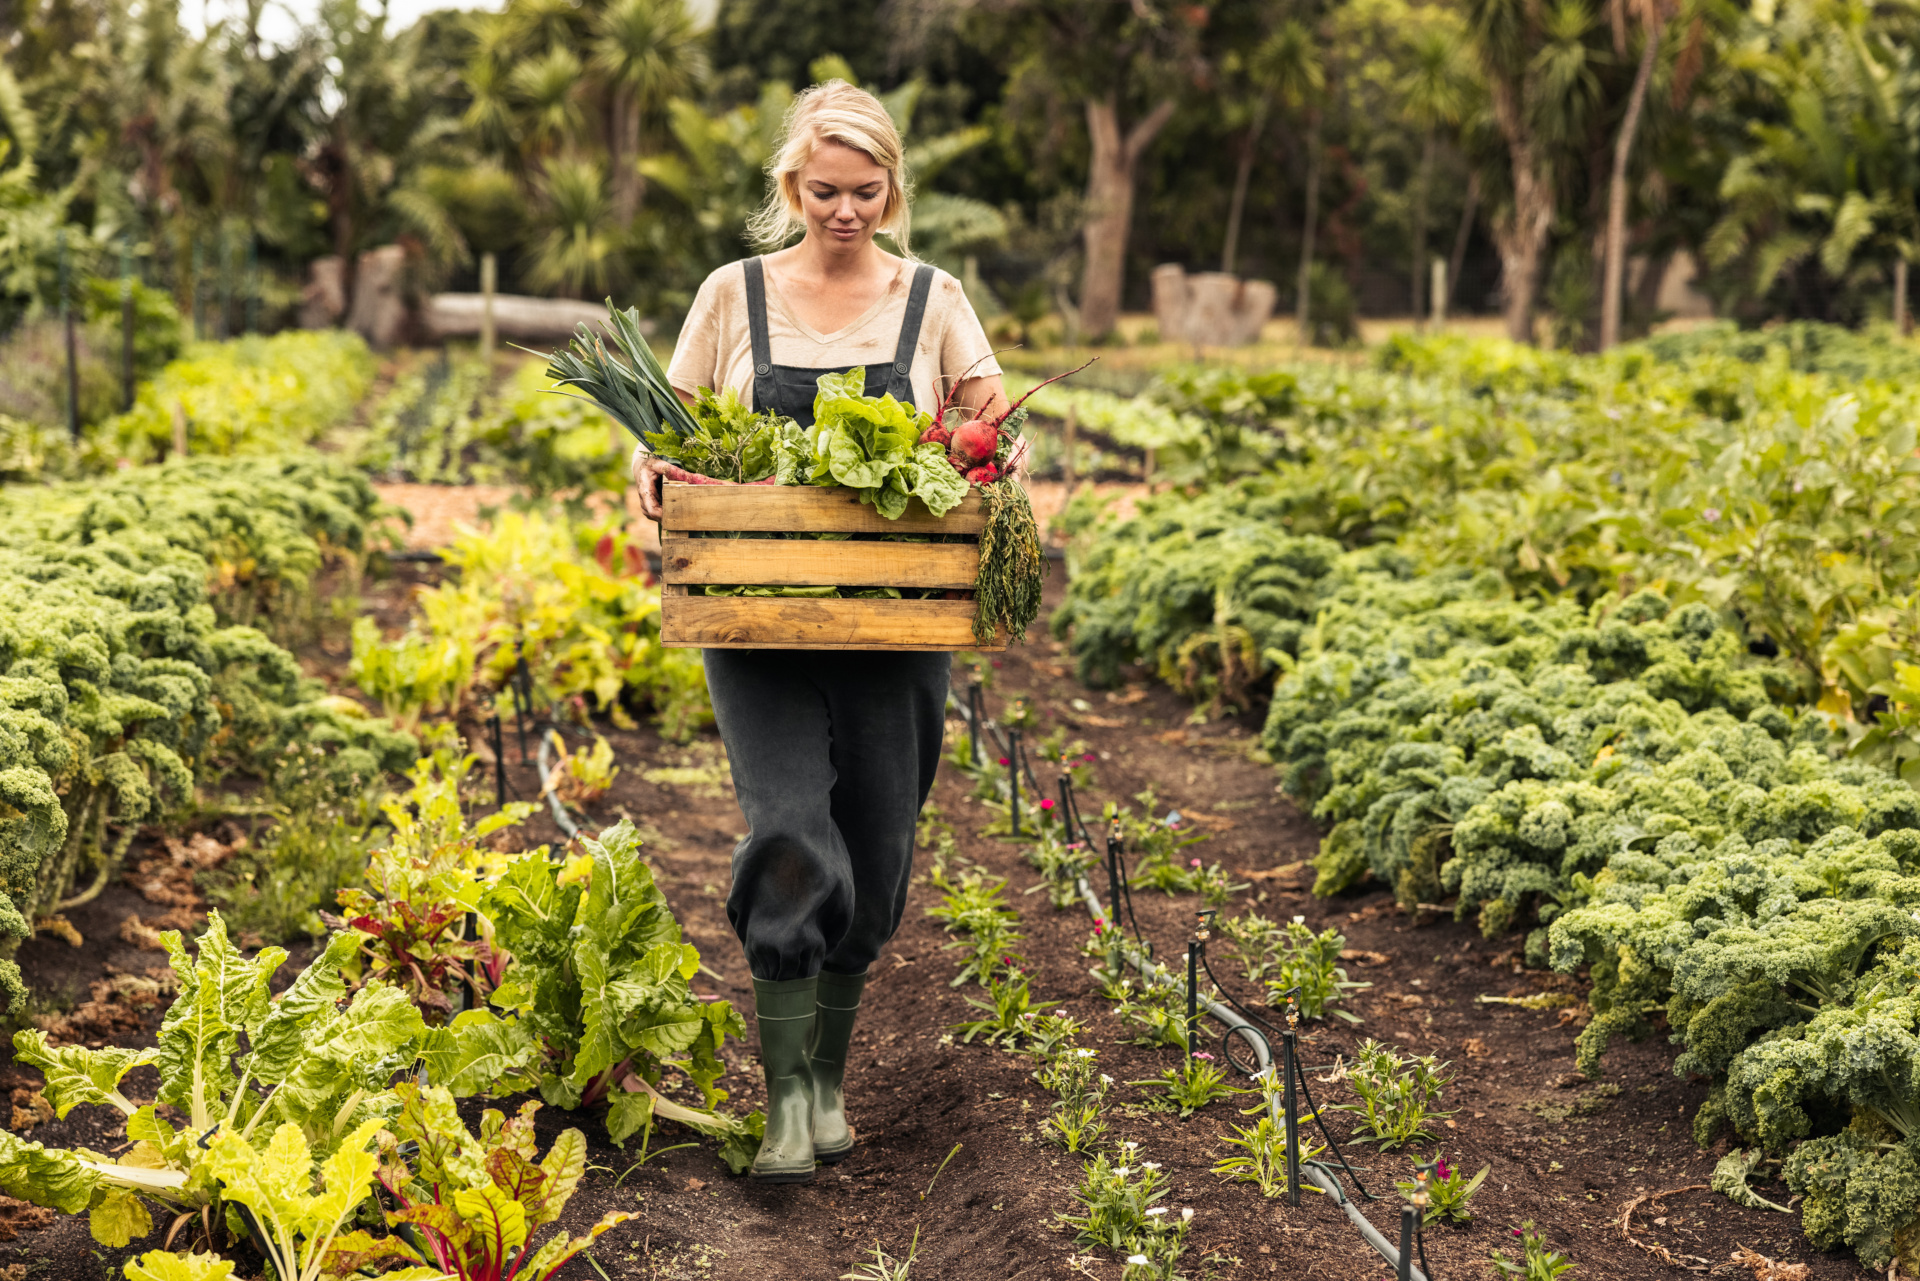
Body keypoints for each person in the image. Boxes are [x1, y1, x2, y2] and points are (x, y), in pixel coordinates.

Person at [632, 79, 1009, 1183]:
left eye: (865, 191)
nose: (844, 211)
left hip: (897, 622)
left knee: (881, 855)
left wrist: (997, 450)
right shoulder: (731, 294)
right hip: (755, 616)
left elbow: (985, 414)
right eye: (823, 190)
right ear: (792, 188)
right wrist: (651, 479)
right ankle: (787, 1101)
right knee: (791, 830)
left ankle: (832, 1077)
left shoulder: (933, 299)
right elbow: (660, 439)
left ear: (893, 191)